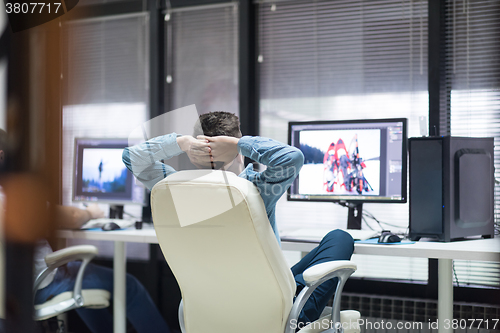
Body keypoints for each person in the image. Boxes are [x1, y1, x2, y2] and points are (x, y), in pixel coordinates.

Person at [122, 111, 354, 325]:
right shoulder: (255, 189)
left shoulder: (175, 189)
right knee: (339, 238)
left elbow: (131, 157)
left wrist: (180, 142)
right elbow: (292, 157)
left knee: (292, 272)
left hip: (208, 309)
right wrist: (239, 144)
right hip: (272, 311)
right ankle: (299, 319)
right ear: (236, 150)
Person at [0, 129, 171, 333]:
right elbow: (71, 218)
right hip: (38, 286)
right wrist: (90, 212)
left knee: (84, 280)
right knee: (129, 286)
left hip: (9, 294)